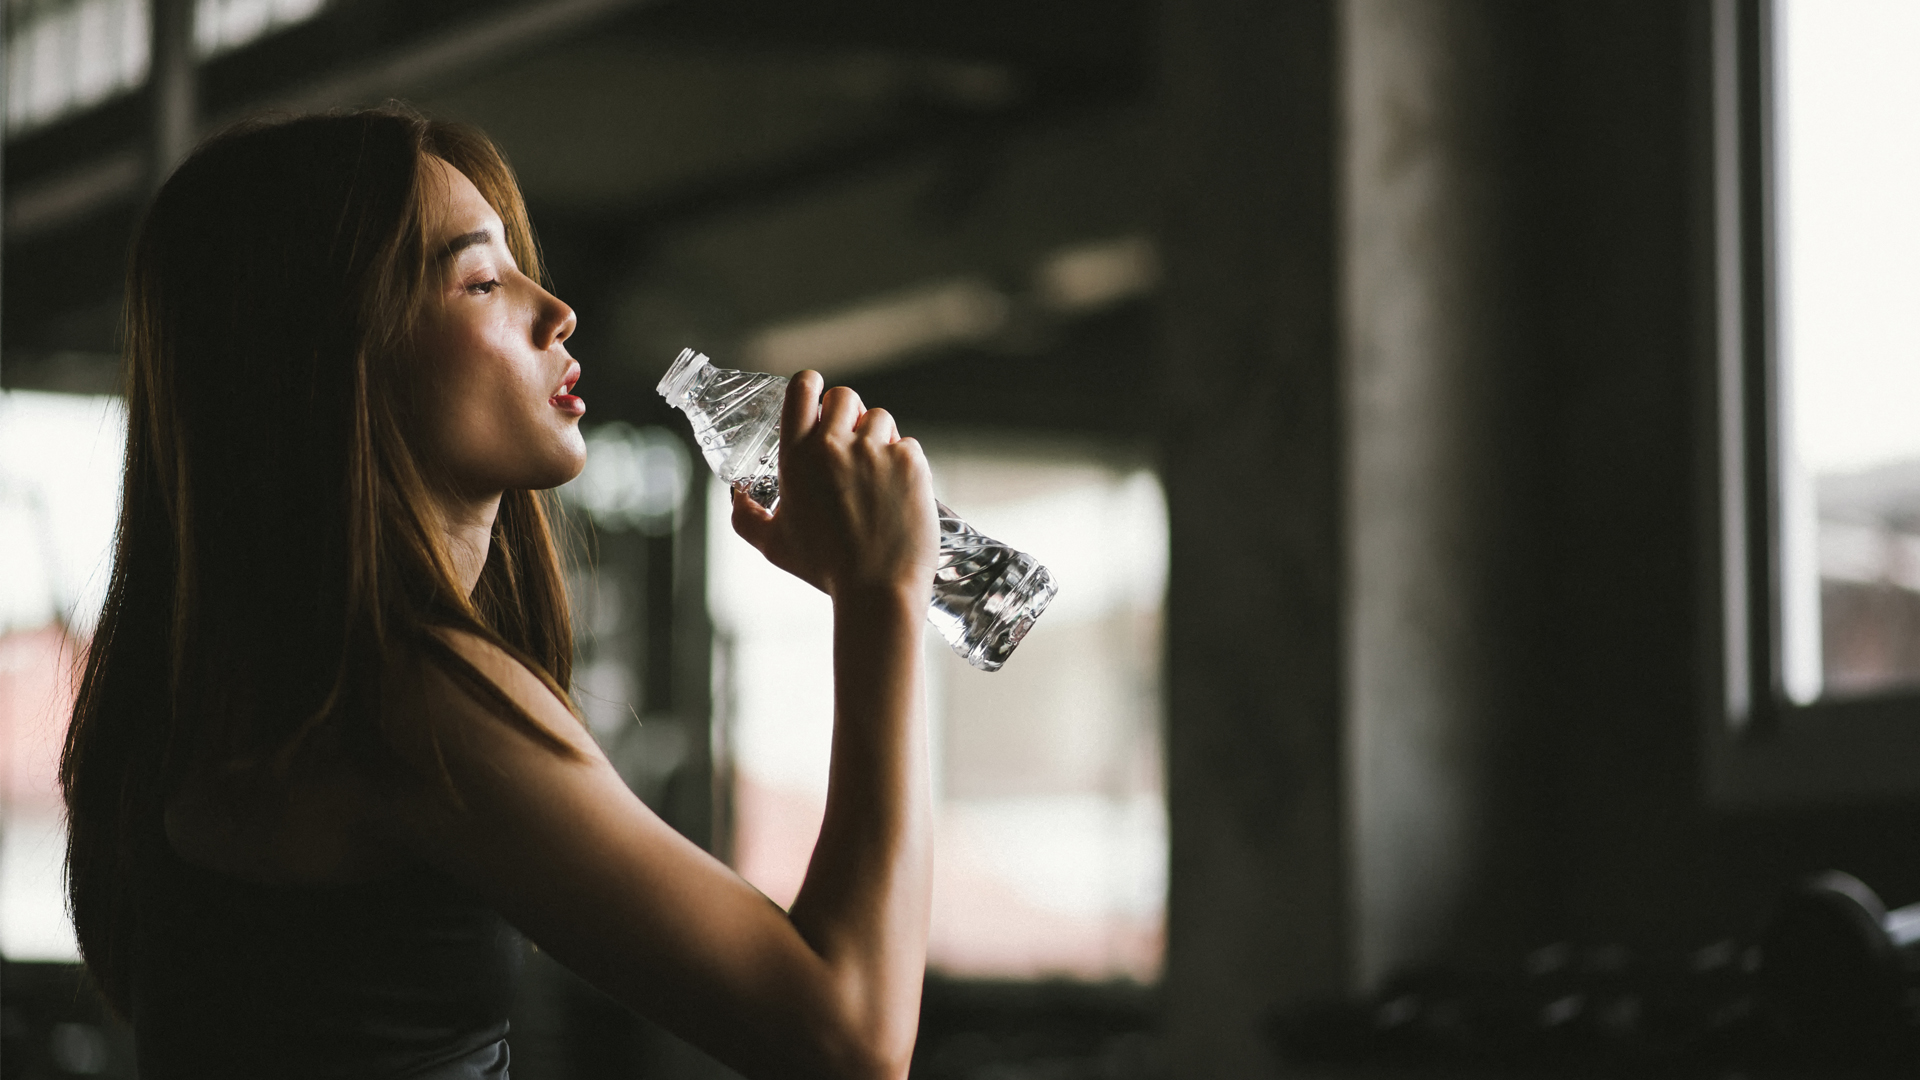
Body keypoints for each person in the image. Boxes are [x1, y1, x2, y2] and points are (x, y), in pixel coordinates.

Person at [59, 106, 939, 1079]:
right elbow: (851, 1035)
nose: (556, 310)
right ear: (340, 353)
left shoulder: (247, 685)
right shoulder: (404, 694)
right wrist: (883, 600)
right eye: (482, 277)